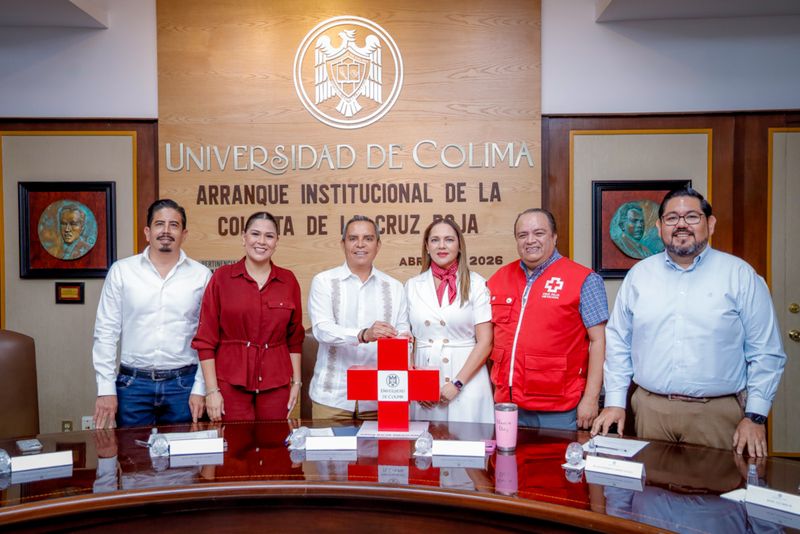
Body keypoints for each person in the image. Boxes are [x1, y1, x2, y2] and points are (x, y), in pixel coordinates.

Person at [591, 188, 786, 457]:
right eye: (672, 218)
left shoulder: (740, 276)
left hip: (716, 414)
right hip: (649, 411)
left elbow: (766, 351)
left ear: (710, 223)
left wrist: (756, 416)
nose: (681, 224)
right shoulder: (639, 276)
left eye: (692, 216)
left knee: (718, 483)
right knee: (650, 484)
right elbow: (618, 342)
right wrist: (615, 402)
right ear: (659, 227)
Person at [93, 199, 211, 429]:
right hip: (132, 386)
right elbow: (105, 332)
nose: (166, 231)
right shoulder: (122, 271)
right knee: (131, 451)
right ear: (147, 232)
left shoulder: (201, 276)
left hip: (184, 386)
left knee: (184, 452)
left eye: (174, 225)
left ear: (184, 234)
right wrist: (105, 389)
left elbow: (207, 337)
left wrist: (200, 387)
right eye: (159, 224)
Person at [487, 208, 608, 430]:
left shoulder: (584, 279)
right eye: (523, 235)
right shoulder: (499, 278)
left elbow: (599, 341)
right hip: (508, 403)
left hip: (558, 405)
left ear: (554, 236)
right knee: (507, 454)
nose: (530, 240)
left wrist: (591, 399)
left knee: (556, 454)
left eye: (539, 233)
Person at [192, 211, 304, 421]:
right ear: (244, 238)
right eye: (255, 234)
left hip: (276, 383)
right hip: (229, 382)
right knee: (234, 440)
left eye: (269, 236)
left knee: (275, 439)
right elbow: (205, 340)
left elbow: (295, 338)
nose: (261, 241)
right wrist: (212, 390)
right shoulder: (222, 278)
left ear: (276, 241)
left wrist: (296, 382)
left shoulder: (288, 281)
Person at [307, 215, 410, 420]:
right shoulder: (324, 281)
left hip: (380, 397)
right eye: (353, 238)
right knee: (327, 444)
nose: (360, 244)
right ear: (343, 244)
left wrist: (404, 340)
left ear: (378, 245)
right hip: (332, 398)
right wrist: (363, 334)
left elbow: (403, 333)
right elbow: (322, 329)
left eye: (368, 238)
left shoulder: (395, 287)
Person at [406, 219, 494, 424]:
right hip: (425, 380)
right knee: (425, 441)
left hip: (468, 379)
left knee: (468, 440)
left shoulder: (477, 284)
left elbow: (486, 341)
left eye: (449, 240)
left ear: (459, 245)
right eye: (435, 240)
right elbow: (405, 340)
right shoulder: (412, 286)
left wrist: (457, 383)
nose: (441, 246)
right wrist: (416, 385)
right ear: (427, 247)